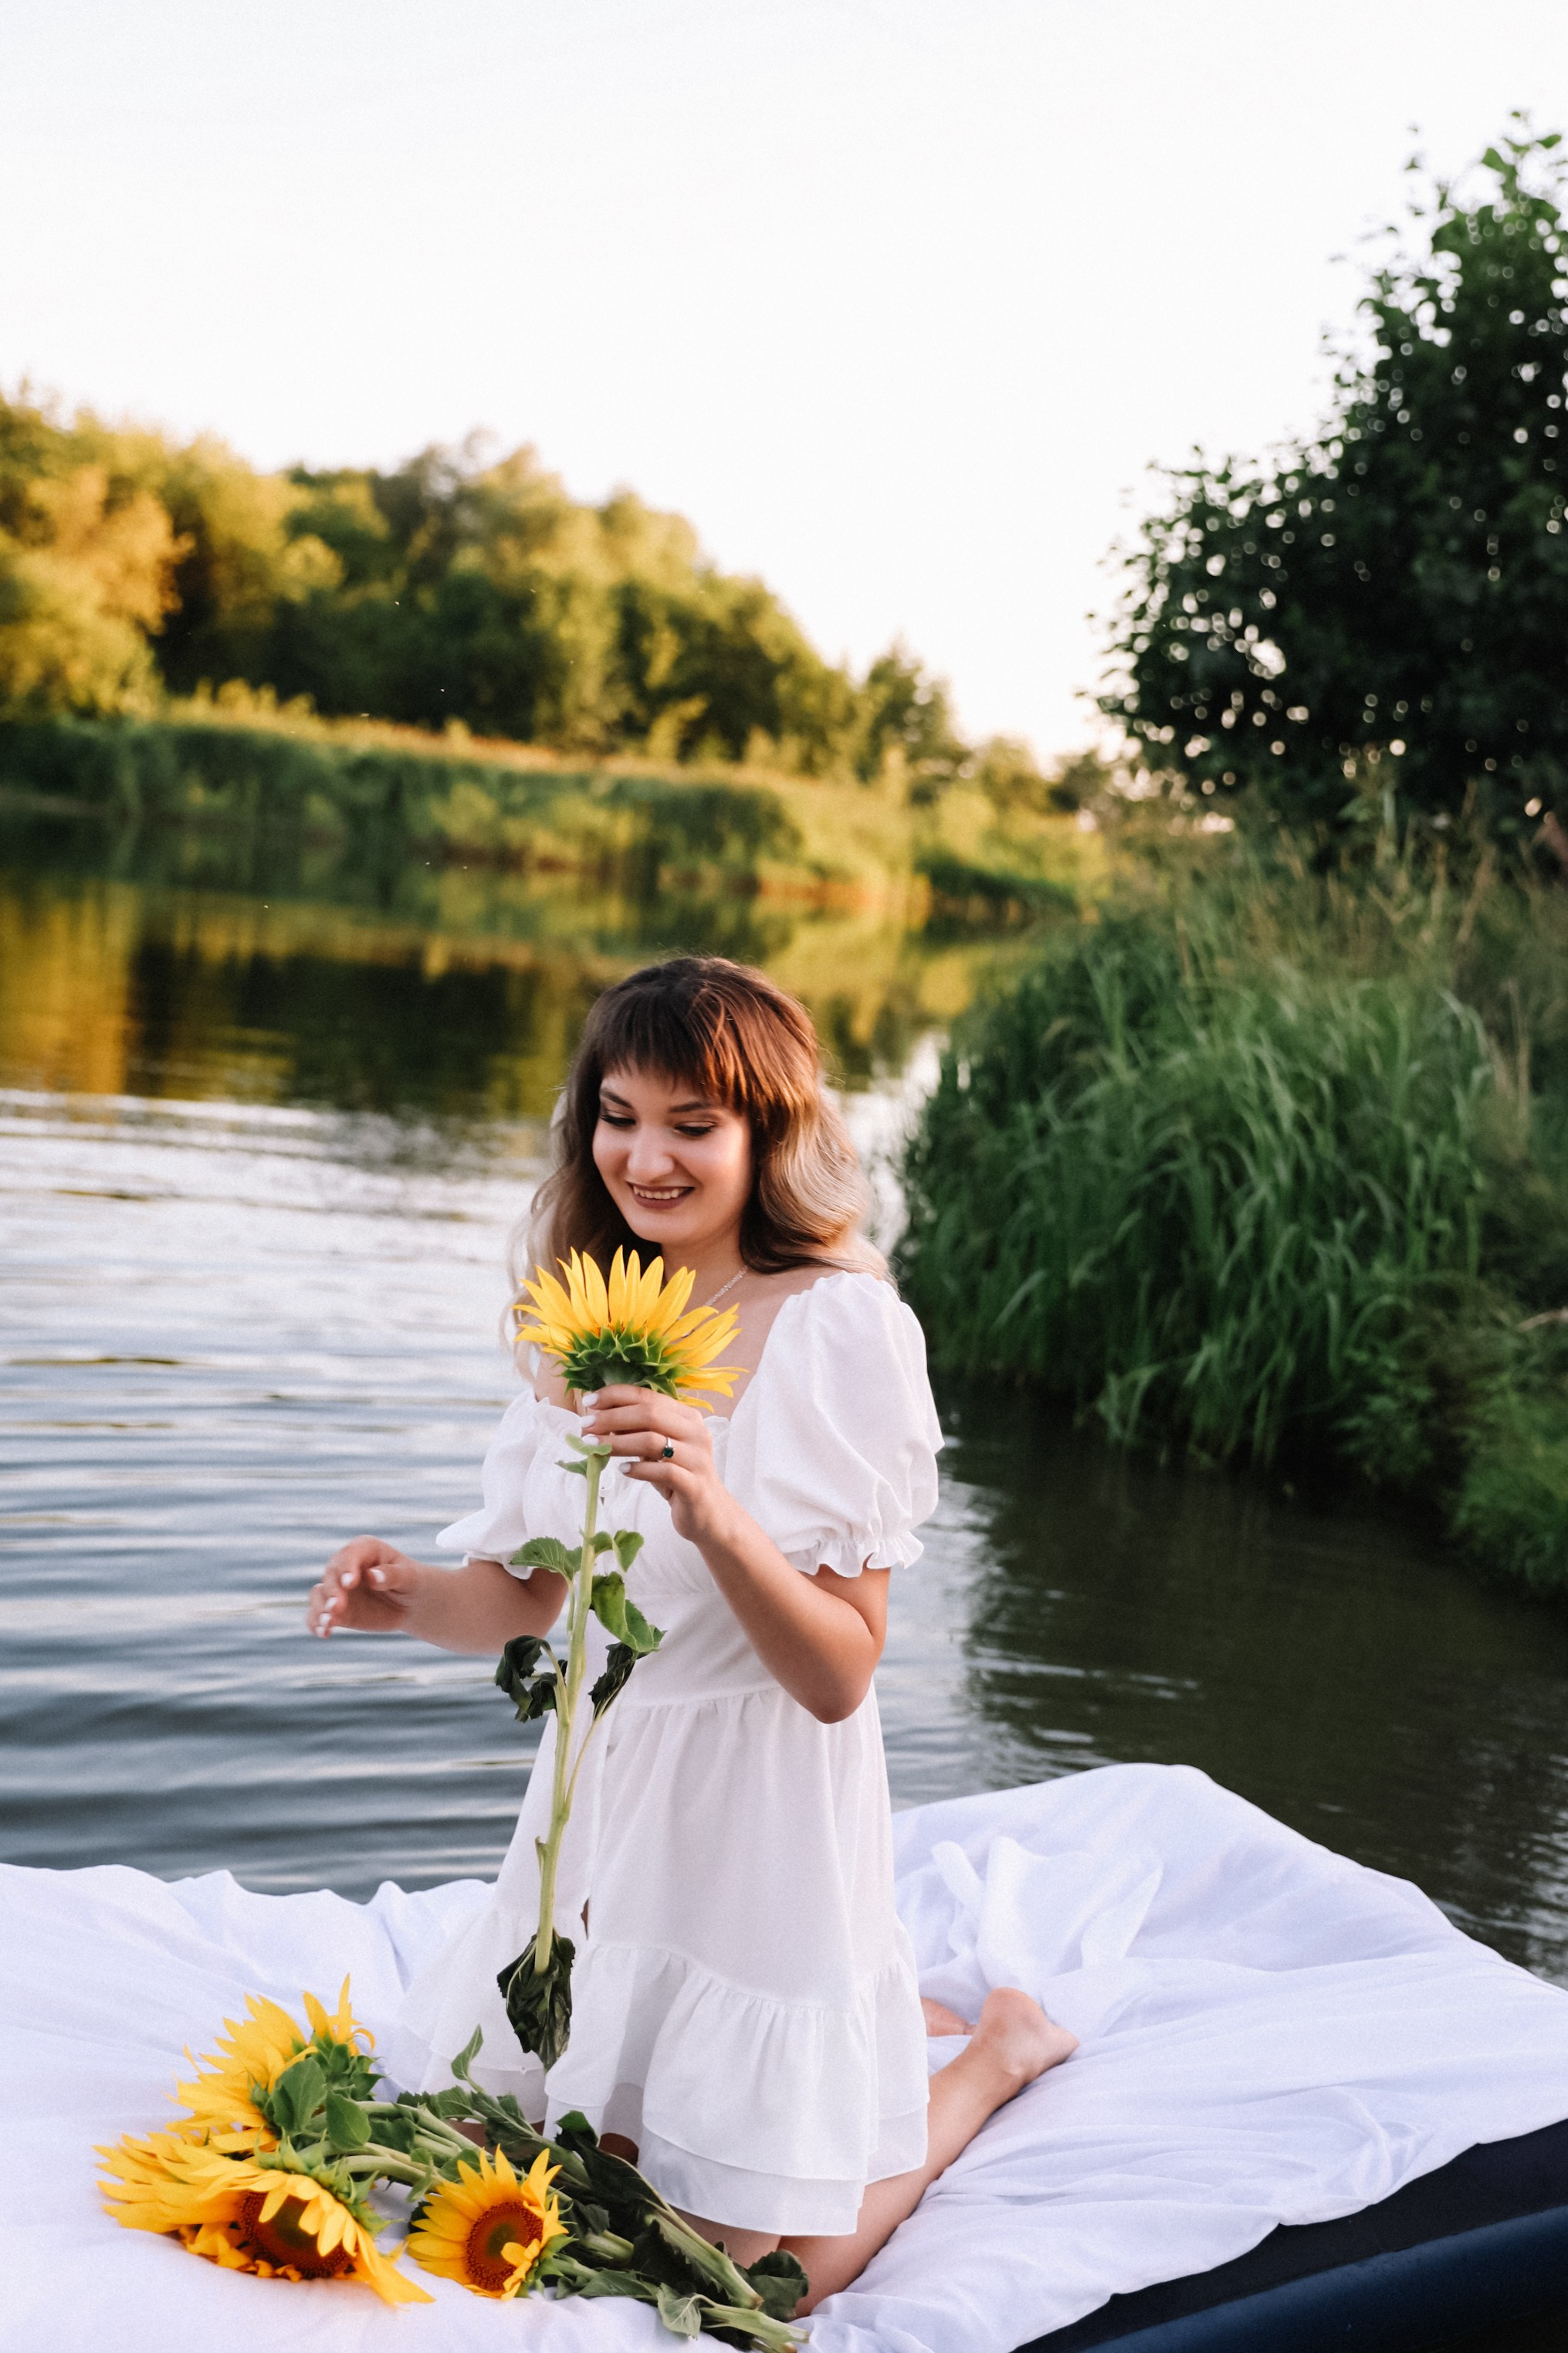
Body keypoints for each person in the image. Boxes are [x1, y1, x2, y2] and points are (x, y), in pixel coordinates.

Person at [305, 955, 1075, 2308]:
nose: (643, 1157)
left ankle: (993, 2051)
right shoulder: (583, 1319)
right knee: (499, 2171)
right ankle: (890, 2030)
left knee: (750, 2275)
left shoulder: (840, 1327)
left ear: (766, 1135)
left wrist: (715, 1505)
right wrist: (406, 1595)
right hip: (599, 1809)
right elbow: (534, 1602)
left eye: (691, 1124)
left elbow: (841, 1675)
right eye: (617, 1115)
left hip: (764, 1815)